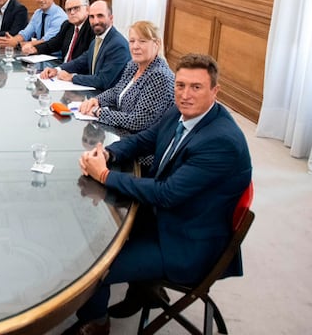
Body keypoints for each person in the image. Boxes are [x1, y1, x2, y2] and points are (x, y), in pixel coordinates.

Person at [63, 53, 252, 335]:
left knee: (92, 266)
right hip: (170, 217)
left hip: (186, 242)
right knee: (90, 229)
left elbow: (167, 194)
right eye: (180, 85)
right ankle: (142, 291)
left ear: (215, 91)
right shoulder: (180, 111)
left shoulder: (221, 141)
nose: (185, 95)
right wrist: (107, 154)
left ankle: (97, 323)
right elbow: (144, 140)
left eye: (196, 87)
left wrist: (104, 174)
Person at [77, 21, 174, 134]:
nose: (135, 46)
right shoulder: (133, 65)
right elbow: (117, 91)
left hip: (146, 143)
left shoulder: (159, 75)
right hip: (124, 133)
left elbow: (137, 121)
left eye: (142, 41)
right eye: (132, 41)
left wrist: (98, 112)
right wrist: (97, 100)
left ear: (156, 44)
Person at [40, 0, 130, 91]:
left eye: (100, 16)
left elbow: (103, 81)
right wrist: (56, 70)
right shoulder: (97, 40)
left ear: (111, 18)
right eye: (92, 17)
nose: (95, 21)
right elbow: (80, 62)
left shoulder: (118, 44)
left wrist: (72, 77)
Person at [0, 0, 68, 51]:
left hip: (55, 57)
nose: (41, 0)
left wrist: (17, 44)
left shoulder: (59, 17)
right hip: (38, 54)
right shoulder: (38, 13)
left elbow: (46, 41)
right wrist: (12, 41)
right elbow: (25, 33)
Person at [24, 0, 92, 62]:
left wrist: (62, 69)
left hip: (78, 70)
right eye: (69, 10)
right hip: (63, 67)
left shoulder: (92, 28)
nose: (72, 12)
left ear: (87, 9)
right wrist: (35, 49)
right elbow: (53, 43)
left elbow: (86, 58)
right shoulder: (67, 25)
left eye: (76, 8)